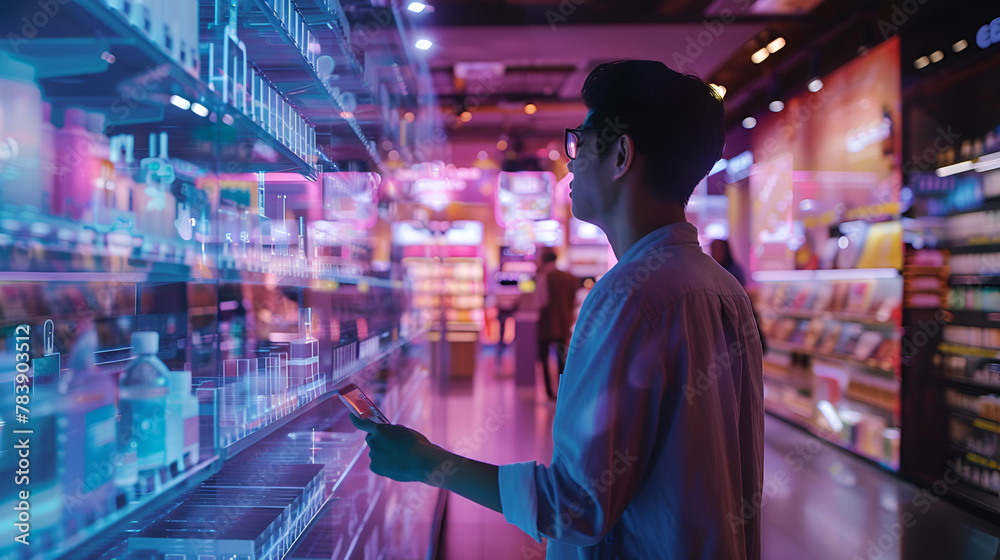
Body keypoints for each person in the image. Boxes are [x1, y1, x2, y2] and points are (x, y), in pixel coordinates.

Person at [351, 60, 764, 559]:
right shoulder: (723, 290)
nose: (570, 161)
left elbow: (576, 506)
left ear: (620, 155)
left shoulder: (628, 295)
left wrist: (425, 462)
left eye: (580, 142)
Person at [534, 248, 579, 400]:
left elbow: (541, 302)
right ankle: (563, 391)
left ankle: (549, 393)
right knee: (562, 360)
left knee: (544, 360)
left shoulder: (543, 277)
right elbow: (574, 299)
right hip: (564, 324)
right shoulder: (568, 277)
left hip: (546, 326)